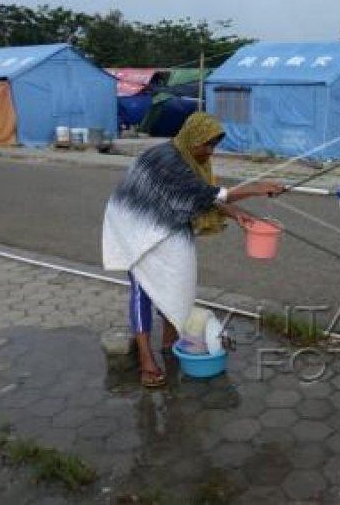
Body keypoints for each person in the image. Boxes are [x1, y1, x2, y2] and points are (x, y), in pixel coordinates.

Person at [102, 112, 283, 387]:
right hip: (132, 227)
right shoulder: (168, 160)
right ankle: (146, 359)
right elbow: (204, 193)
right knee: (142, 291)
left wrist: (237, 215)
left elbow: (200, 195)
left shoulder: (188, 160)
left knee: (175, 281)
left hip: (162, 223)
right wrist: (257, 189)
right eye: (206, 145)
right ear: (191, 138)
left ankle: (168, 342)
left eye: (214, 146)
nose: (209, 152)